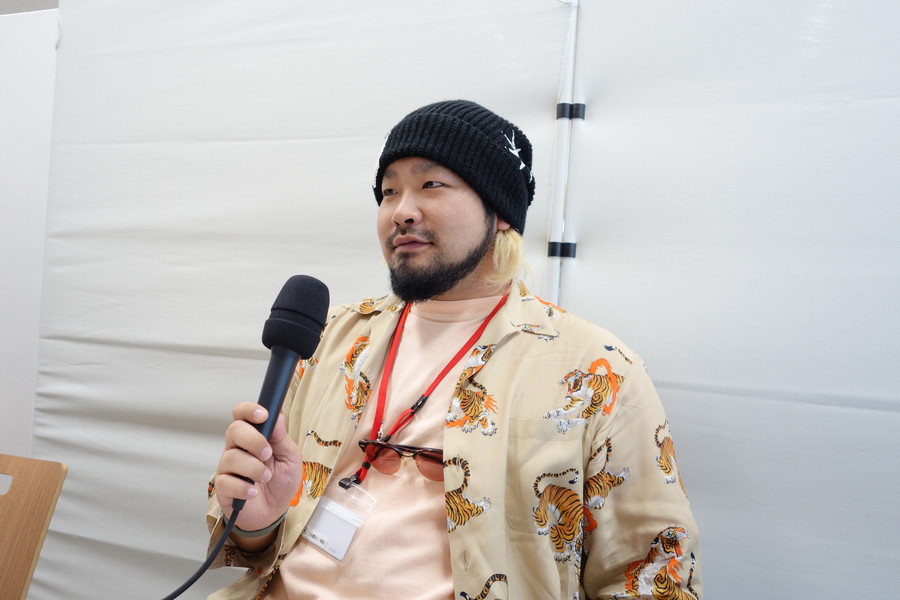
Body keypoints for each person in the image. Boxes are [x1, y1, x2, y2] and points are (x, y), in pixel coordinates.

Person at [206, 100, 702, 600]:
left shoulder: (595, 369)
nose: (401, 211)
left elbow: (653, 575)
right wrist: (255, 522)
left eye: (431, 185)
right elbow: (250, 546)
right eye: (389, 192)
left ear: (500, 212)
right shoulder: (333, 337)